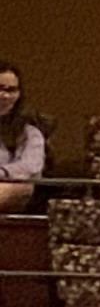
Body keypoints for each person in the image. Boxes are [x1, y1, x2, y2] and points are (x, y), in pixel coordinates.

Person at [0, 64, 42, 212]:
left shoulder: (31, 133)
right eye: (0, 88)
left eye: (11, 90)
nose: (4, 95)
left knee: (22, 186)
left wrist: (3, 172)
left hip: (13, 190)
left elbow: (30, 167)